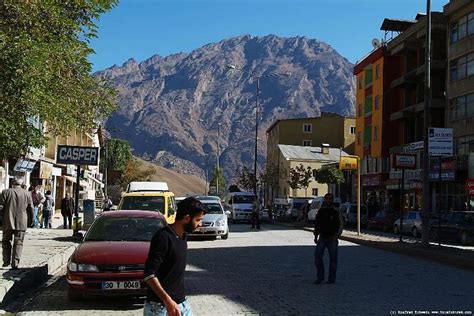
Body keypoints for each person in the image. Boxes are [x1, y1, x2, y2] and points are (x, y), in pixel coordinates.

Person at [143, 197, 205, 316]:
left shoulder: (183, 236)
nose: (200, 224)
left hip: (182, 304)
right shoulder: (163, 238)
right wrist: (168, 301)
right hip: (161, 307)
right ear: (187, 218)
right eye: (198, 220)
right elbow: (149, 275)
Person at [0, 178, 34, 269]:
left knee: (5, 241)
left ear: (12, 183)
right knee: (18, 243)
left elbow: (0, 207)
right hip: (22, 222)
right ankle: (15, 263)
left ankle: (6, 261)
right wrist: (30, 222)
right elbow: (31, 209)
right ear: (22, 184)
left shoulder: (5, 192)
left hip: (7, 222)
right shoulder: (27, 194)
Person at [313, 193, 343, 284]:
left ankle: (331, 279)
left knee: (333, 260)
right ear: (325, 200)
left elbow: (341, 224)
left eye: (330, 199)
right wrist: (315, 235)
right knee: (317, 257)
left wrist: (337, 235)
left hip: (332, 238)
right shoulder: (321, 211)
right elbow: (317, 224)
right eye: (327, 199)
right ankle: (320, 277)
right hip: (322, 237)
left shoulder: (336, 211)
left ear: (332, 200)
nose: (329, 200)